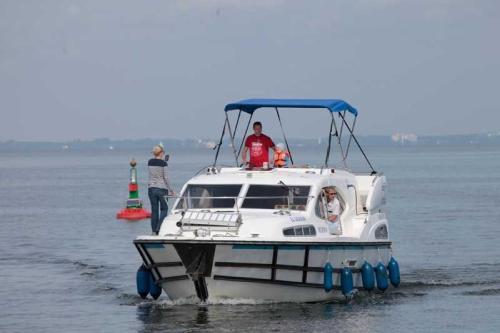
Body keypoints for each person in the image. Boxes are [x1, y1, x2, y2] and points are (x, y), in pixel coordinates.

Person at [148, 144, 175, 235]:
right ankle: (159, 228)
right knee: (164, 209)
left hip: (151, 188)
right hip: (162, 189)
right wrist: (171, 190)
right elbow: (166, 178)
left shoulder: (150, 162)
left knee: (154, 211)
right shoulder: (164, 163)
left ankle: (153, 231)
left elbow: (155, 169)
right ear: (162, 153)